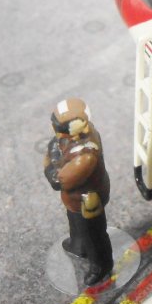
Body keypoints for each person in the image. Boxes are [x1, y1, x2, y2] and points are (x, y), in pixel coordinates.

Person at [43, 98, 114, 285]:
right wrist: (54, 154)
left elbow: (59, 181)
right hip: (74, 200)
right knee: (75, 224)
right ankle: (78, 246)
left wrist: (50, 163)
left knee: (94, 235)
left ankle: (101, 265)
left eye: (58, 126)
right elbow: (56, 147)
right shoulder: (73, 137)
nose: (55, 130)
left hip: (87, 201)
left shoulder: (85, 156)